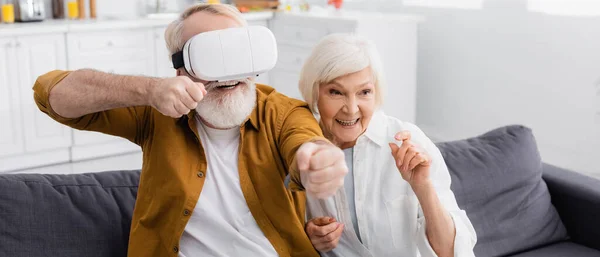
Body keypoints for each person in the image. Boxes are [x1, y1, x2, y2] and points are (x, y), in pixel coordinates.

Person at [32, 4, 348, 257]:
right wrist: (148, 90)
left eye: (237, 52)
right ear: (180, 67)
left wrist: (316, 158)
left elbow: (306, 142)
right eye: (211, 55)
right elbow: (50, 94)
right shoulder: (156, 111)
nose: (228, 73)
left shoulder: (282, 112)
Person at [295, 33, 477, 257]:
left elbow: (453, 252)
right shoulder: (301, 149)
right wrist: (309, 236)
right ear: (315, 92)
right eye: (336, 92)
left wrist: (423, 187)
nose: (351, 109)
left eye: (364, 92)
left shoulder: (408, 140)